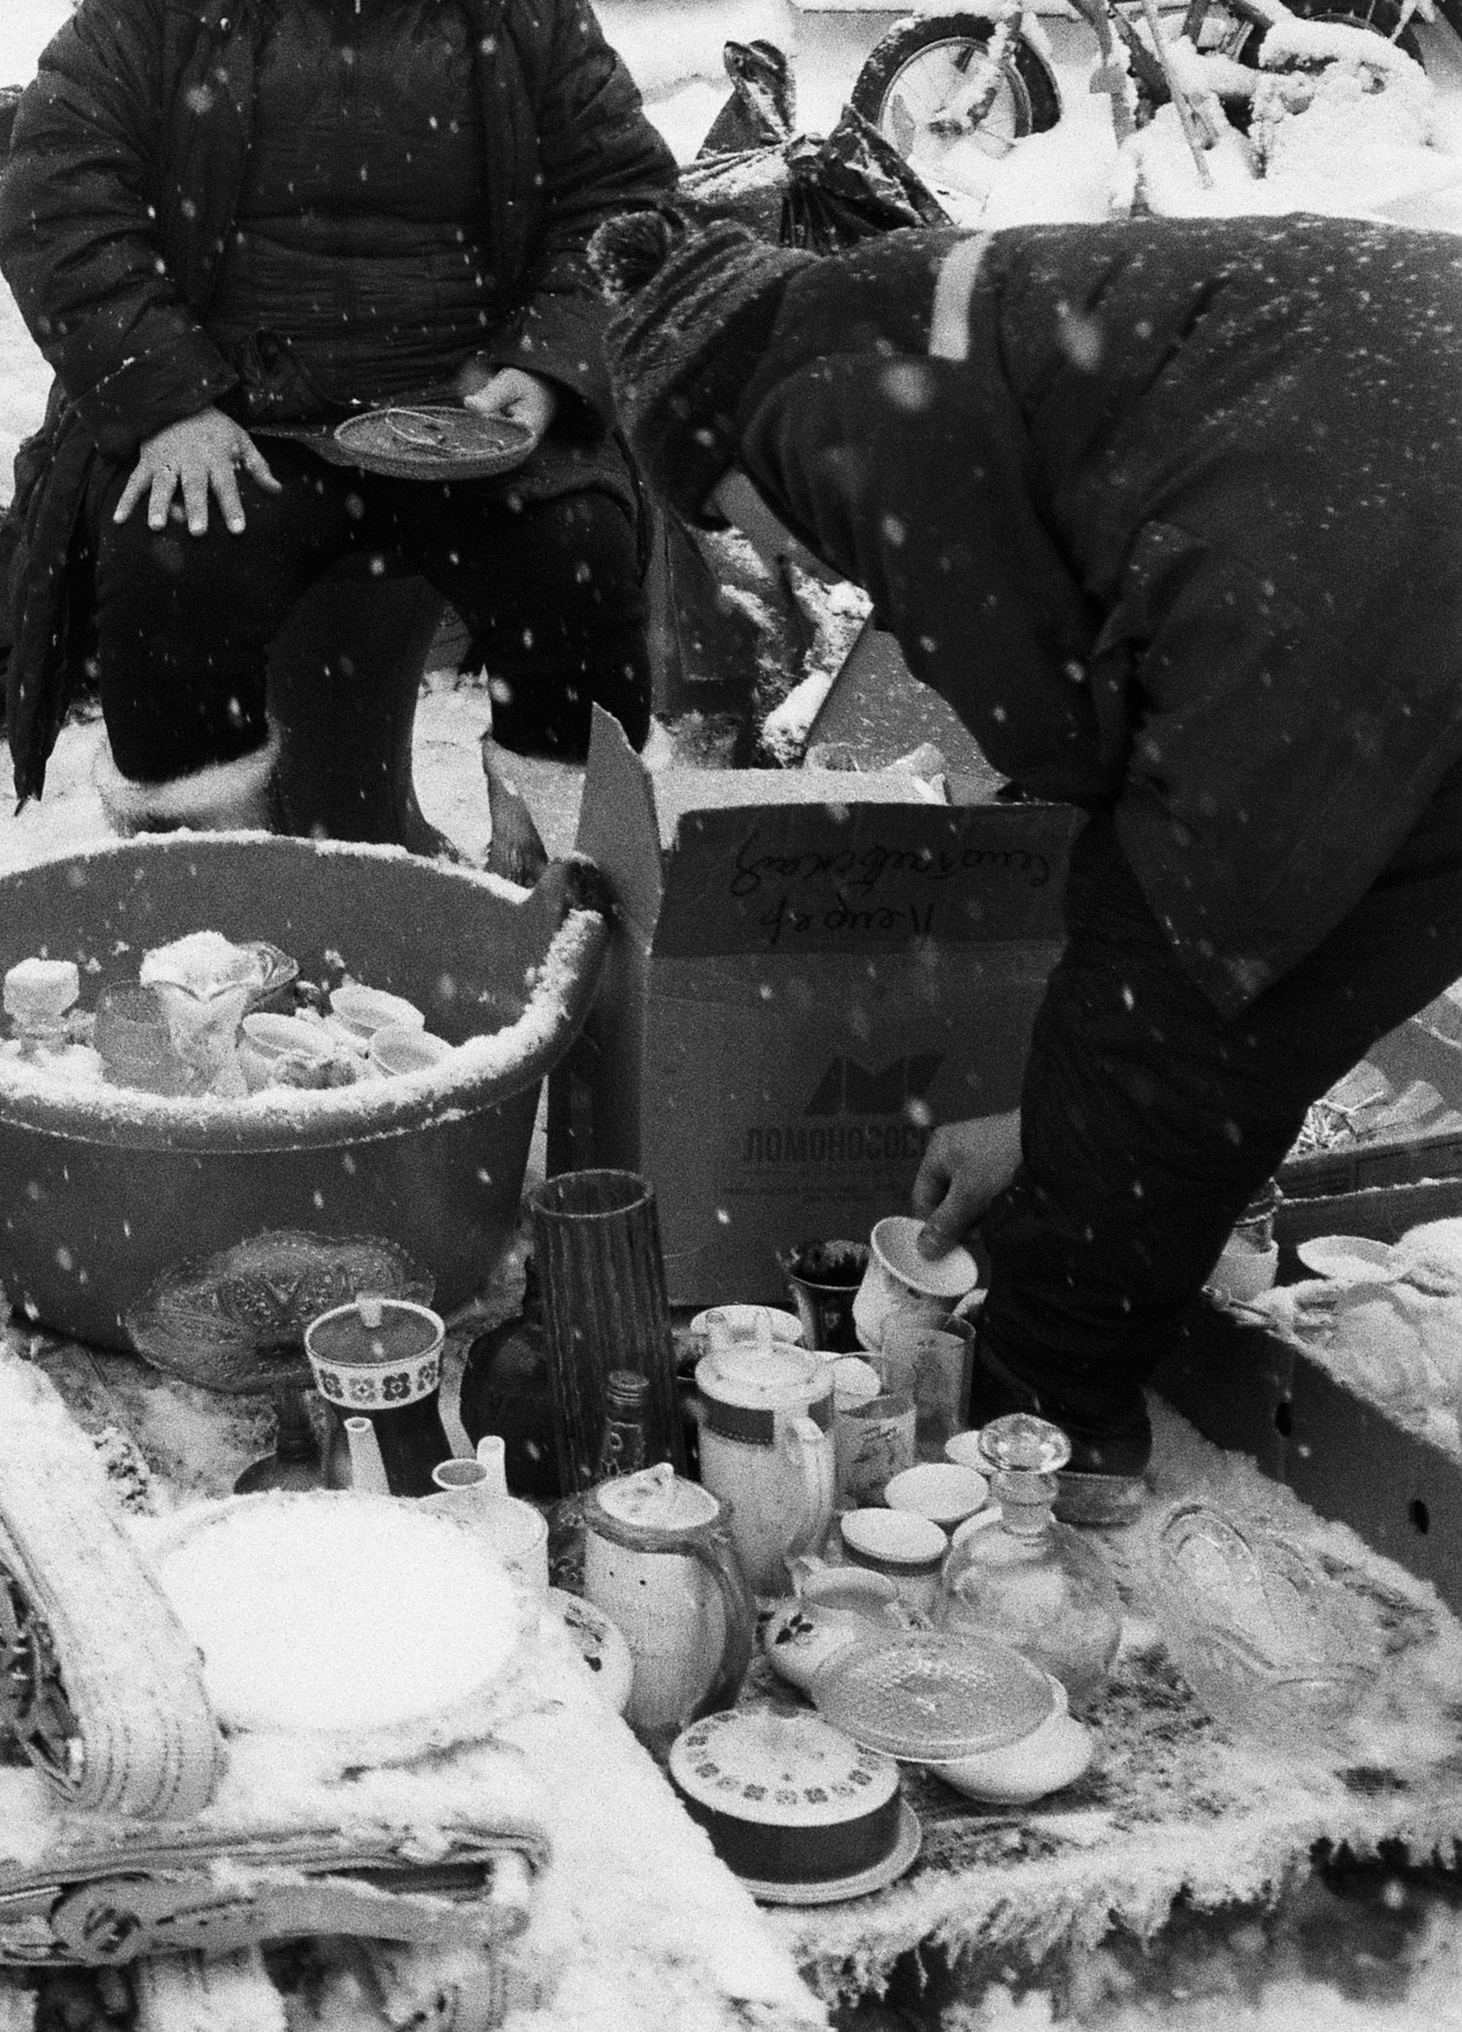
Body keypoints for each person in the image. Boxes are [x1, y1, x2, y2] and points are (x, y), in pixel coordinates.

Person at [595, 205, 1462, 1475]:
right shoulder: (909, 299)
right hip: (1389, 459)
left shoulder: (817, 403)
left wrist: (1084, 1087)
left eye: (726, 518)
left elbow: (1049, 719)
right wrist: (1038, 1119)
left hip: (1347, 554)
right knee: (1278, 985)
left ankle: (1042, 1434)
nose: (754, 549)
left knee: (1159, 1009)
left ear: (717, 445)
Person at [0, 0, 677, 830]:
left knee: (580, 557)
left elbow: (623, 201)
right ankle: (213, 895)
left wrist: (553, 364)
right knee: (170, 565)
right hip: (243, 413)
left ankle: (561, 879)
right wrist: (166, 402)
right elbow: (60, 198)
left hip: (468, 414)